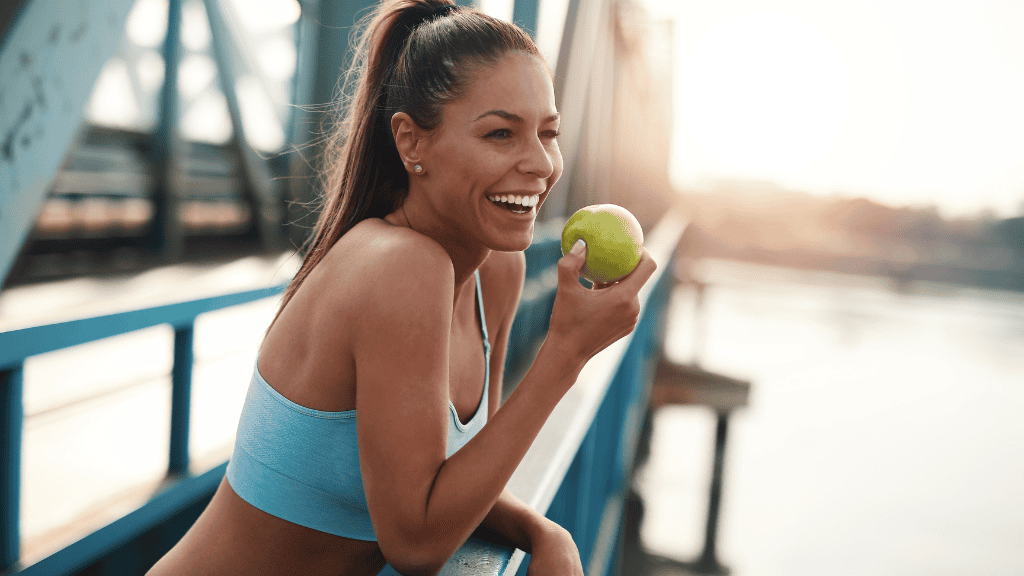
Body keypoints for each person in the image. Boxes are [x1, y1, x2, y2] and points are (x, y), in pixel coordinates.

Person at [146, 0, 656, 574]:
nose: (540, 164)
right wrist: (565, 353)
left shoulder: (495, 271)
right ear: (412, 143)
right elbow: (415, 541)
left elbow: (452, 480)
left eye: (548, 133)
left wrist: (543, 533)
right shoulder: (400, 268)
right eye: (500, 134)